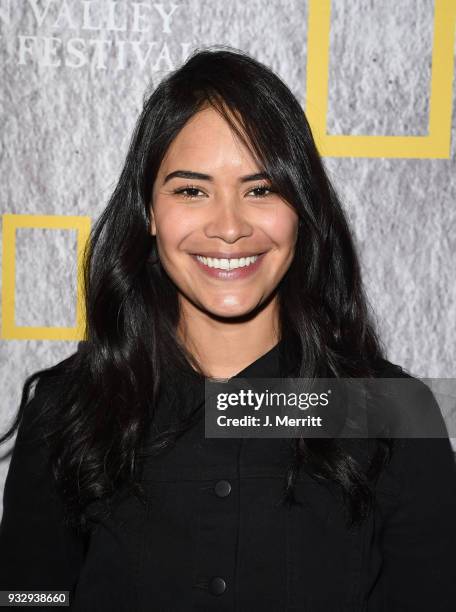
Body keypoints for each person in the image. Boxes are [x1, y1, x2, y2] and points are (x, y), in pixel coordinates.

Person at [1, 45, 455, 612]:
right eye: (192, 190)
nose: (229, 227)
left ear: (301, 210)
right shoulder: (71, 407)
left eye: (260, 189)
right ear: (148, 210)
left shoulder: (394, 415)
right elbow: (27, 597)